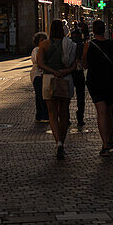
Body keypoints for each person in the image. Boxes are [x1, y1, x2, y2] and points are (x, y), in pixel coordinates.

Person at [38, 20, 77, 160]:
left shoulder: (44, 44)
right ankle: (62, 140)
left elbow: (40, 63)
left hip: (49, 79)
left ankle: (58, 142)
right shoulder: (69, 44)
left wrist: (53, 71)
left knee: (52, 113)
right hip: (65, 79)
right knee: (64, 112)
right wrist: (62, 71)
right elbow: (74, 66)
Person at [82, 19, 113, 155]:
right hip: (110, 80)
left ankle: (105, 143)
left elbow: (84, 64)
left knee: (101, 112)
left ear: (93, 30)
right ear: (105, 30)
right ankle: (109, 139)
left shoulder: (88, 45)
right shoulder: (112, 44)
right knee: (110, 111)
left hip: (95, 81)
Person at [70, 23, 86, 128]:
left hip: (69, 73)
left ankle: (66, 118)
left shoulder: (68, 44)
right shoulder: (82, 45)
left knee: (67, 96)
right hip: (79, 72)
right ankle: (80, 117)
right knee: (80, 96)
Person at [30, 32, 49, 122]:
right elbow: (38, 62)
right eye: (42, 40)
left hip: (43, 74)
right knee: (40, 95)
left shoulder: (44, 49)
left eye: (45, 39)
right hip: (37, 75)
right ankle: (43, 115)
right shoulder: (36, 50)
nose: (44, 41)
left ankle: (40, 115)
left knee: (41, 95)